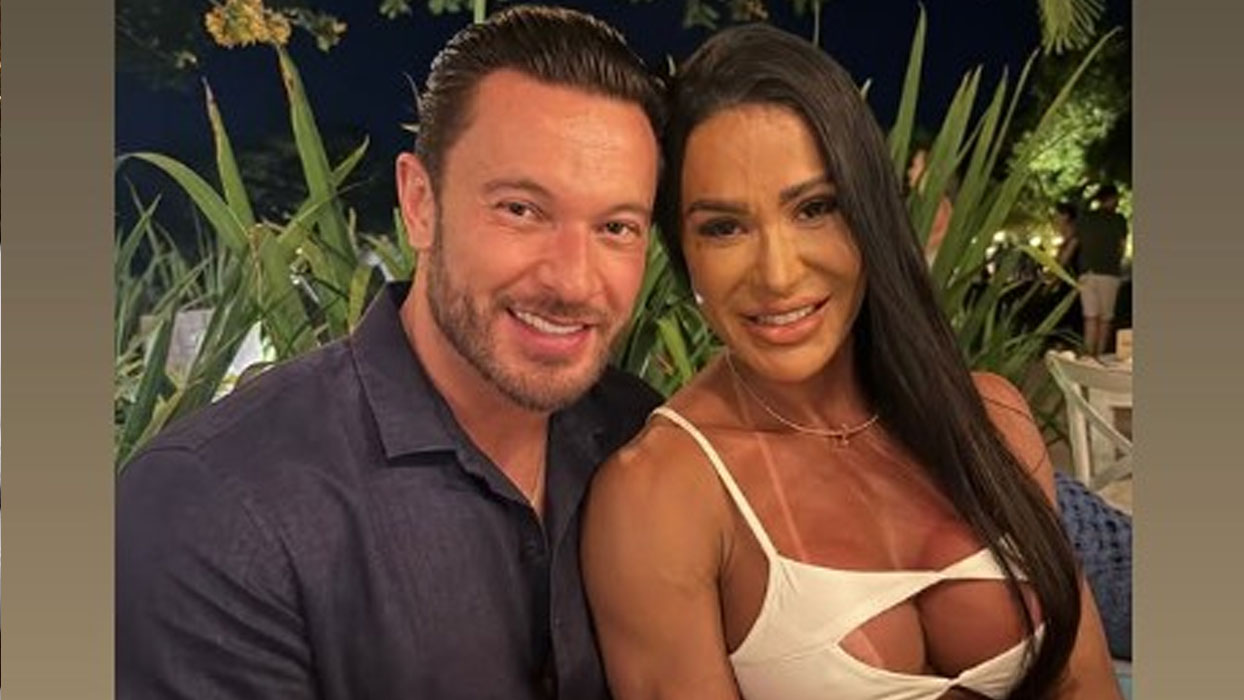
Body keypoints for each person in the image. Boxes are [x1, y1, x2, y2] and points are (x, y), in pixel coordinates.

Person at [117, 6, 665, 698]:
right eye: (521, 210)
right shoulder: (216, 509)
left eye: (616, 227)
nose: (574, 281)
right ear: (420, 204)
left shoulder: (640, 436)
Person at [582, 24, 1122, 699]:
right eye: (724, 228)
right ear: (683, 254)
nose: (778, 274)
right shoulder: (661, 496)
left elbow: (1084, 682)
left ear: (869, 211)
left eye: (815, 208)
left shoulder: (992, 420)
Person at [1059, 185, 1129, 356]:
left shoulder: (1086, 218)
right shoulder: (1119, 220)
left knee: (1090, 318)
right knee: (1105, 319)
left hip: (1087, 274)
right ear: (1112, 198)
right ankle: (1099, 355)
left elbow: (1073, 244)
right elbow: (1122, 247)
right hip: (1108, 273)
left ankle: (1088, 356)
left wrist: (1058, 267)